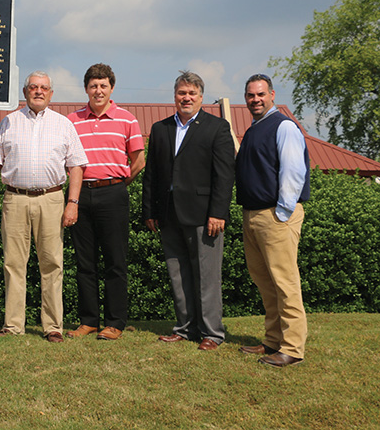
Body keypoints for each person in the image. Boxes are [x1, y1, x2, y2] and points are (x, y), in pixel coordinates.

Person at [0, 70, 87, 342]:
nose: (38, 91)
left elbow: (76, 166)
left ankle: (53, 327)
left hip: (52, 199)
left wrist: (72, 203)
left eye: (44, 88)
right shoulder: (8, 122)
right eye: (33, 87)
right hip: (14, 199)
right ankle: (13, 325)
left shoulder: (63, 124)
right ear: (25, 92)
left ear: (51, 94)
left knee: (52, 263)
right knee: (13, 263)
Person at [143, 71, 235, 350]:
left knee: (207, 277)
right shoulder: (161, 129)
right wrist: (149, 210)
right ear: (175, 96)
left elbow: (224, 174)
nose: (186, 98)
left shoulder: (217, 127)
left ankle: (212, 333)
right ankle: (184, 328)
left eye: (192, 94)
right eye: (182, 93)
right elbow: (152, 174)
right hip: (168, 214)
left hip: (204, 215)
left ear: (201, 98)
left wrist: (218, 212)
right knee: (178, 274)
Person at [66, 63, 144, 341]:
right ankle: (88, 320)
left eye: (103, 86)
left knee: (115, 261)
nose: (98, 91)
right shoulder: (71, 120)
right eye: (93, 86)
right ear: (86, 89)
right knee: (84, 262)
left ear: (111, 88)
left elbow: (138, 161)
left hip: (114, 193)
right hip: (80, 195)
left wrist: (119, 185)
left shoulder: (127, 119)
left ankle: (115, 322)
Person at [236, 74, 309, 367]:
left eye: (261, 94)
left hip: (275, 216)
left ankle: (292, 348)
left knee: (285, 282)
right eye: (251, 95)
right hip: (253, 215)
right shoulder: (254, 129)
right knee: (265, 281)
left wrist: (282, 212)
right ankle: (272, 340)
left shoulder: (284, 126)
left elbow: (293, 171)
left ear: (272, 95)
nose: (255, 99)